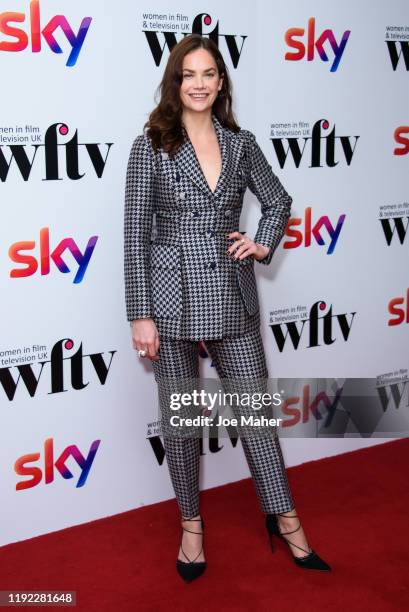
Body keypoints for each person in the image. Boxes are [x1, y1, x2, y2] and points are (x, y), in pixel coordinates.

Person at [124, 33, 331, 582]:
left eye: (208, 73)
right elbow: (134, 235)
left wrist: (262, 240)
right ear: (176, 81)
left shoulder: (240, 144)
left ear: (221, 82)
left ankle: (286, 519)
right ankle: (191, 524)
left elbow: (278, 198)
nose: (198, 83)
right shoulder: (151, 144)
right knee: (183, 422)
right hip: (169, 302)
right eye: (188, 74)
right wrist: (140, 314)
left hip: (232, 298)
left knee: (257, 416)